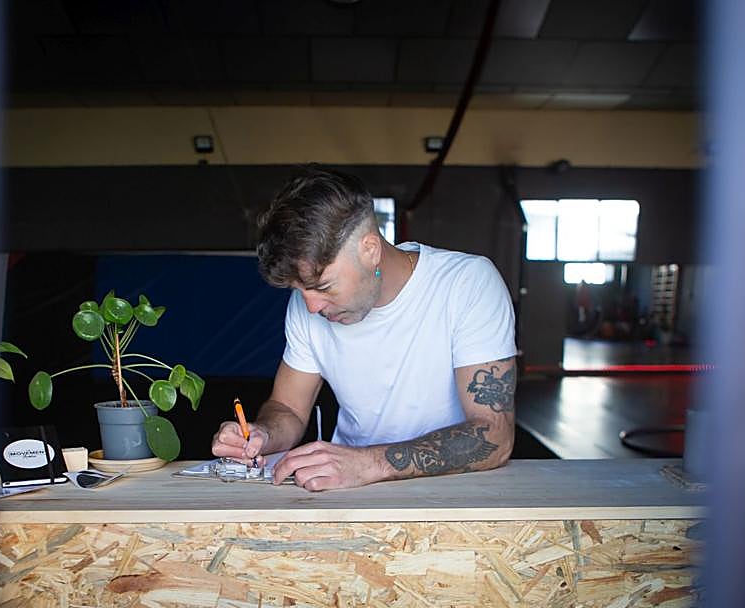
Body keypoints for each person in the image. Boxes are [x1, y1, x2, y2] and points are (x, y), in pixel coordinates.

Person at [211, 166, 517, 490]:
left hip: (449, 493)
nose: (311, 307)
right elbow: (288, 408)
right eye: (299, 291)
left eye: (324, 286)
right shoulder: (307, 305)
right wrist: (263, 434)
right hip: (344, 493)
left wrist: (368, 463)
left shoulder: (467, 283)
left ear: (370, 250)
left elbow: (494, 436)